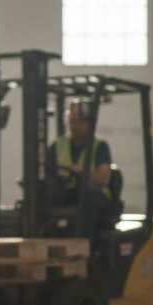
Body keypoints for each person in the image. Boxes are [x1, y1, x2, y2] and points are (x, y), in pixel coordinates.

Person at [49, 100, 114, 241]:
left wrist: (79, 171)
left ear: (89, 123)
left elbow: (103, 178)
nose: (74, 126)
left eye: (79, 122)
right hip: (69, 193)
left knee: (87, 196)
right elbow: (43, 167)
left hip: (96, 198)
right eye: (72, 122)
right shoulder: (58, 145)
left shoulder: (99, 146)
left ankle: (85, 247)